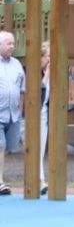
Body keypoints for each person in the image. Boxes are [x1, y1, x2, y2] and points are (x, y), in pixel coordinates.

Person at [0, 30, 26, 196]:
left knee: (9, 148)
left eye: (13, 43)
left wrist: (21, 111)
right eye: (8, 43)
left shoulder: (17, 64)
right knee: (0, 146)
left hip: (14, 115)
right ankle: (0, 182)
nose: (12, 46)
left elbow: (22, 90)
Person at [39, 42, 50, 195]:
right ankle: (41, 181)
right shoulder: (32, 70)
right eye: (49, 56)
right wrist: (47, 75)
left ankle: (40, 180)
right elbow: (38, 93)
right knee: (35, 148)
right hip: (30, 114)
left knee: (40, 150)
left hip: (44, 113)